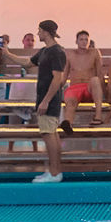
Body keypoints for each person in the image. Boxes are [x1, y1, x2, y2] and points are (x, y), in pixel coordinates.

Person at [30, 19, 67, 183]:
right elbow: (27, 63)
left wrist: (45, 101)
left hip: (49, 99)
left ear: (46, 32)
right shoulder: (44, 51)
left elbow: (57, 78)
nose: (37, 33)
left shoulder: (56, 51)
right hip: (43, 97)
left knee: (48, 134)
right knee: (51, 134)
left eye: (39, 30)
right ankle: (55, 171)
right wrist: (7, 53)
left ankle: (54, 173)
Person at [63, 30, 105, 127]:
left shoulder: (94, 53)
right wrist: (55, 91)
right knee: (70, 103)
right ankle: (67, 123)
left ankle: (98, 117)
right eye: (81, 39)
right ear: (76, 41)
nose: (84, 42)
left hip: (89, 88)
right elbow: (64, 75)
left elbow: (100, 74)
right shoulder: (69, 54)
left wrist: (106, 93)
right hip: (74, 87)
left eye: (86, 40)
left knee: (95, 79)